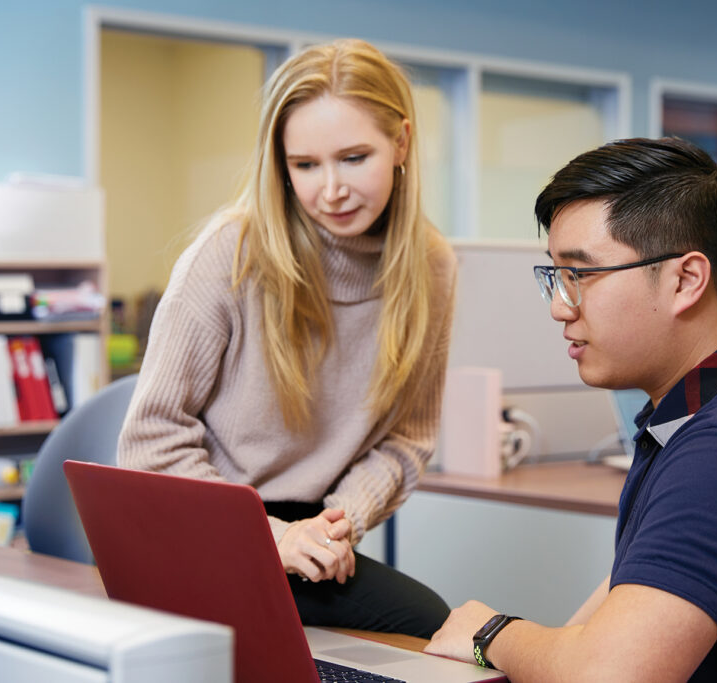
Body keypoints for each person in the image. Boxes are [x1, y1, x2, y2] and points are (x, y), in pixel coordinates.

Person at [425, 138, 717, 681]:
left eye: (580, 275)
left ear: (686, 280)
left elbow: (610, 677)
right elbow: (635, 596)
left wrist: (490, 633)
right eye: (555, 276)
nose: (558, 306)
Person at [117, 39, 455, 638]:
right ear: (281, 163)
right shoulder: (229, 256)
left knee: (430, 629)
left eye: (354, 158)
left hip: (315, 526)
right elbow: (149, 445)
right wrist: (273, 537)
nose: (331, 190)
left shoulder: (430, 266)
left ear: (401, 142)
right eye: (305, 165)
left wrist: (336, 523)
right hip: (204, 523)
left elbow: (407, 440)